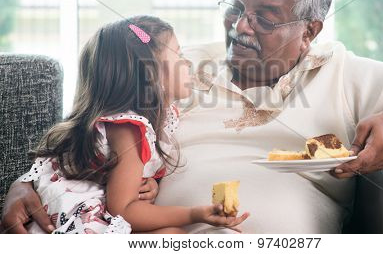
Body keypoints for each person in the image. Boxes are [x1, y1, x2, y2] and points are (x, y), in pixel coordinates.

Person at [3, 0, 383, 233]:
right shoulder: (170, 65)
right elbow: (89, 133)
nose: (240, 26)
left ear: (310, 30)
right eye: (235, 6)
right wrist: (25, 185)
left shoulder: (349, 74)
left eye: (265, 17)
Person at [2, 15, 248, 234]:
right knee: (173, 235)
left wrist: (149, 182)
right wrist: (195, 213)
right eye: (179, 55)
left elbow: (123, 180)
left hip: (89, 214)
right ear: (151, 76)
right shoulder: (129, 129)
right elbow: (124, 209)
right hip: (76, 224)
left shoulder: (152, 122)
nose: (188, 64)